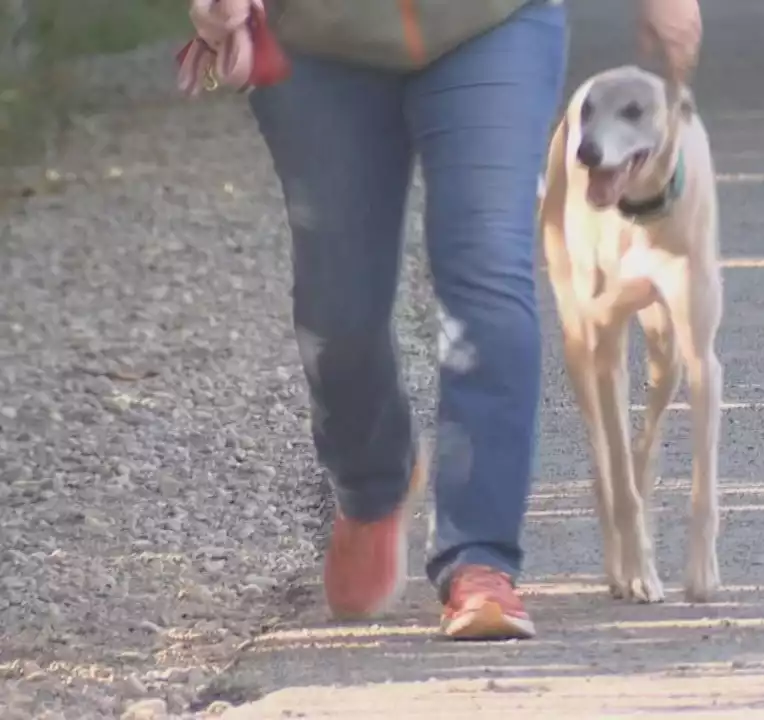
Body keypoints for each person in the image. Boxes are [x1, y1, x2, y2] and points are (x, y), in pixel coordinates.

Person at [184, 0, 703, 641]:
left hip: (491, 23)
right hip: (315, 38)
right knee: (338, 311)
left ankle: (480, 560)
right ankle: (373, 483)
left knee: (488, 267)